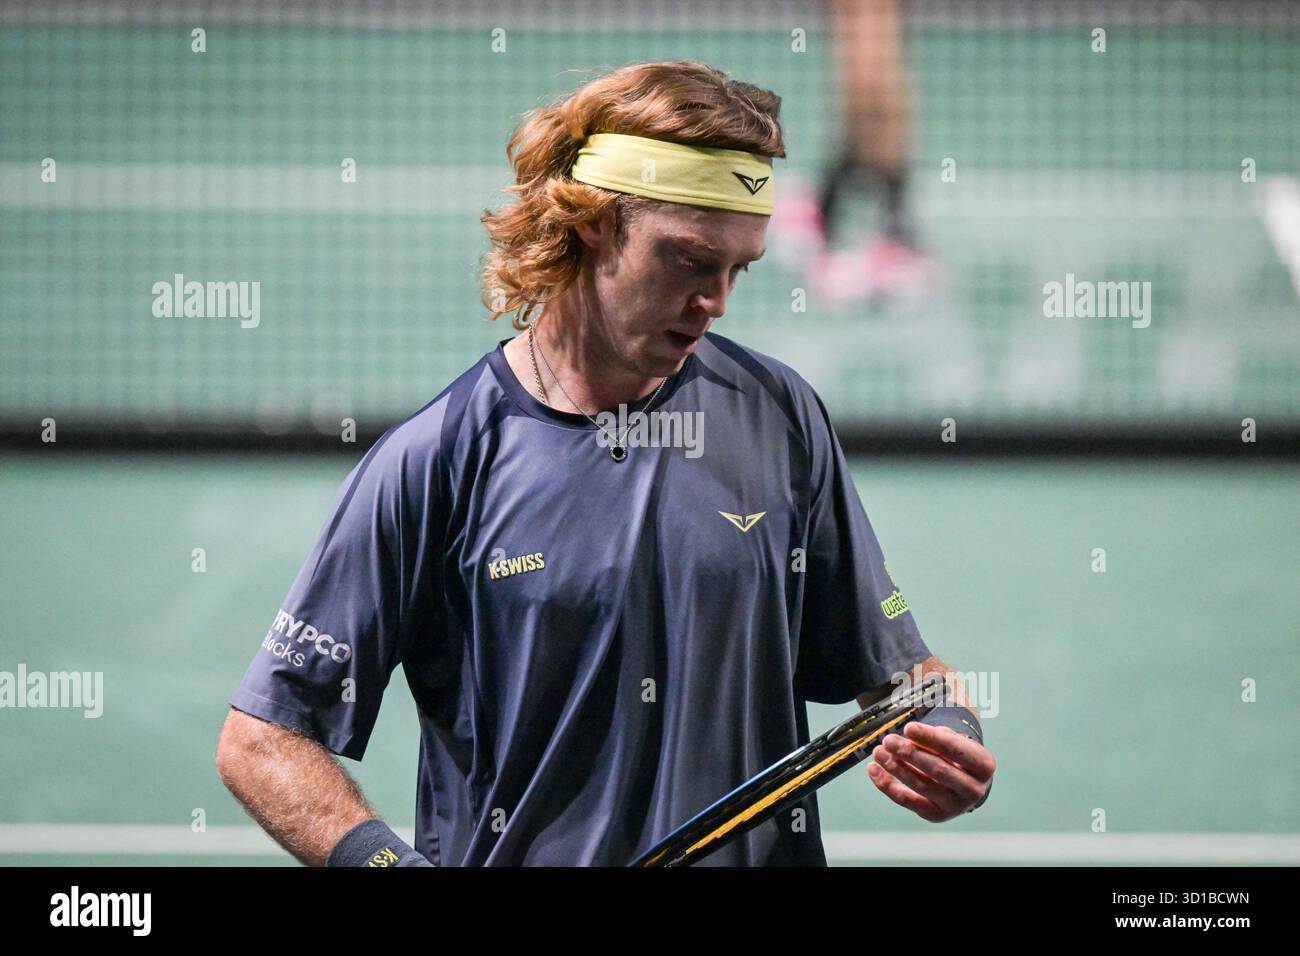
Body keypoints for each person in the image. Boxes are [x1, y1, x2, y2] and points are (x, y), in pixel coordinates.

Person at [216, 60, 994, 867]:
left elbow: (905, 673)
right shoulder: (439, 460)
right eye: (688, 260)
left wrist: (948, 730)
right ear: (595, 221)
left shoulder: (778, 415)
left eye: (738, 269)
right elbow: (262, 738)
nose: (716, 300)